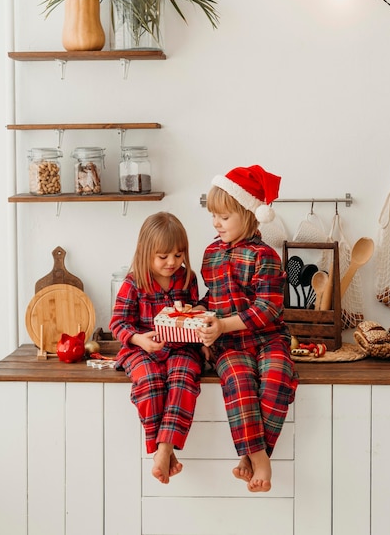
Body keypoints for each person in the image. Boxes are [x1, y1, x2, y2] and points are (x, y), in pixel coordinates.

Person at [195, 165, 298, 493]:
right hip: (230, 344)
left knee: (278, 377)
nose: (216, 223)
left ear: (250, 214)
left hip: (267, 338)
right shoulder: (210, 255)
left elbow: (268, 309)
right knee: (239, 382)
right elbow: (214, 298)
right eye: (213, 216)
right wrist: (197, 311)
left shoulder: (265, 256)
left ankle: (250, 457)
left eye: (223, 217)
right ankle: (260, 459)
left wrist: (222, 323)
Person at [109, 211, 203, 485]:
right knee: (150, 382)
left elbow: (196, 314)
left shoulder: (187, 279)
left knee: (183, 379)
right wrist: (139, 339)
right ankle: (162, 449)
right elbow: (118, 323)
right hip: (141, 348)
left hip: (181, 347)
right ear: (145, 252)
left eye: (178, 254)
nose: (172, 262)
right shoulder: (133, 283)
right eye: (163, 257)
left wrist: (195, 312)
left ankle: (164, 450)